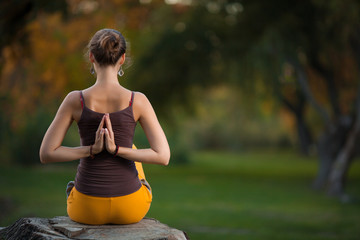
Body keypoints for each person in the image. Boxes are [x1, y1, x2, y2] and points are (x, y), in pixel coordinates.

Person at [39, 28, 170, 225]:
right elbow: (163, 156)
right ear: (122, 58)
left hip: (86, 209)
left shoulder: (75, 100)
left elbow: (46, 154)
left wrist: (91, 150)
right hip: (130, 209)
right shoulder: (138, 100)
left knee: (79, 182)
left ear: (91, 56)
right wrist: (117, 150)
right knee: (132, 148)